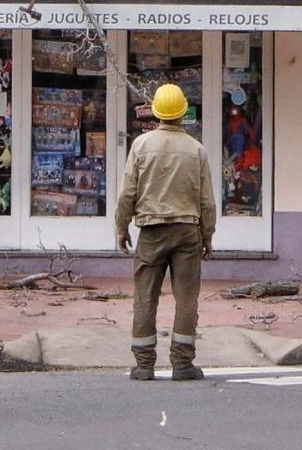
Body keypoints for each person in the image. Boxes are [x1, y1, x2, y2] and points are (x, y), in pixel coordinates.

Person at [114, 83, 217, 381]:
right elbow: (207, 200)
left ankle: (144, 364)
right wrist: (208, 236)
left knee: (145, 297)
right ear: (183, 113)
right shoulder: (196, 150)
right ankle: (182, 364)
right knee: (186, 298)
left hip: (151, 232)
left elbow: (126, 195)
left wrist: (121, 227)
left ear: (156, 113)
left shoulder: (141, 145)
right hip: (187, 231)